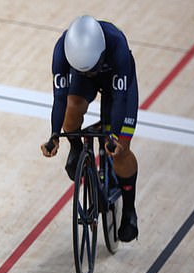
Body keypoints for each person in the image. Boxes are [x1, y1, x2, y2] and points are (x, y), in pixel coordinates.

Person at [41, 15, 139, 242]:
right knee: (71, 109)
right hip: (82, 76)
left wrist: (115, 135)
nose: (89, 72)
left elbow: (121, 97)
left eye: (91, 68)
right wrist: (56, 135)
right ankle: (77, 148)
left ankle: (129, 210)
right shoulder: (62, 51)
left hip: (117, 78)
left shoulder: (117, 45)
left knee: (121, 149)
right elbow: (60, 99)